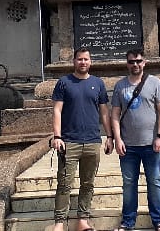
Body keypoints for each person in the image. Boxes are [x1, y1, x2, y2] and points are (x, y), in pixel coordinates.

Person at [51, 47, 113, 231]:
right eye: (79, 59)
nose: (83, 62)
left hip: (93, 141)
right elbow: (57, 110)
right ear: (74, 61)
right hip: (69, 141)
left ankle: (82, 220)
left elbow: (104, 112)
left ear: (90, 62)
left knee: (88, 184)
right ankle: (59, 222)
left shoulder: (98, 84)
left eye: (86, 59)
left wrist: (109, 136)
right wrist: (57, 136)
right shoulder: (64, 83)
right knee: (64, 184)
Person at [111, 48, 160, 231]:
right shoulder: (120, 86)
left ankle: (158, 220)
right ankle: (128, 221)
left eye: (138, 61)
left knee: (154, 182)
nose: (135, 64)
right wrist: (117, 139)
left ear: (144, 62)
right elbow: (115, 115)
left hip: (152, 144)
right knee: (129, 184)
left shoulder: (155, 83)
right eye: (131, 62)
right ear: (127, 64)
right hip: (128, 146)